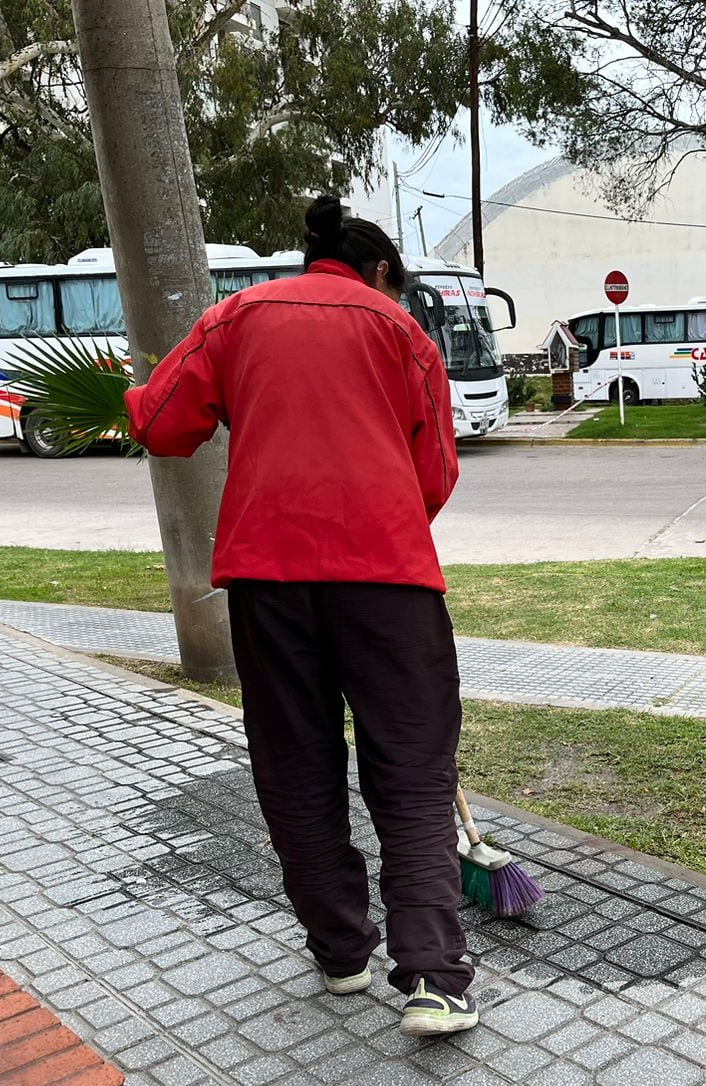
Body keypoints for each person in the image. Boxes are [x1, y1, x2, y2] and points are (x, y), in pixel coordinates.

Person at [124, 196, 474, 1036]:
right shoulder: (402, 334)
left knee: (296, 764)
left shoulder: (237, 316)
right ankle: (432, 976)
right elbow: (435, 476)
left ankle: (341, 951)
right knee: (414, 770)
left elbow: (163, 427)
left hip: (268, 578)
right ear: (382, 271)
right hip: (387, 576)